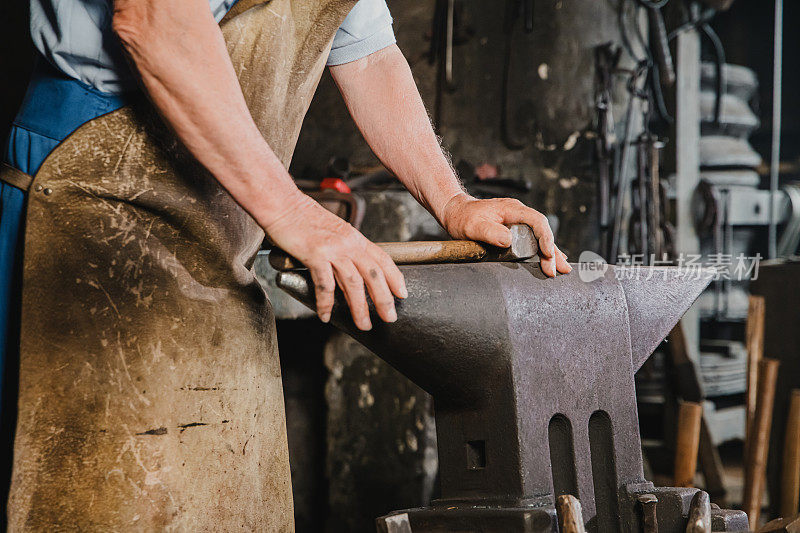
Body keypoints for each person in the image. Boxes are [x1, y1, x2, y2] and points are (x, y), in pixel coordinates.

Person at [0, 0, 570, 528]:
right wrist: (293, 211)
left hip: (219, 223)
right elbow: (155, 24)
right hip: (88, 190)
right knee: (78, 490)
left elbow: (367, 52)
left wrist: (453, 202)